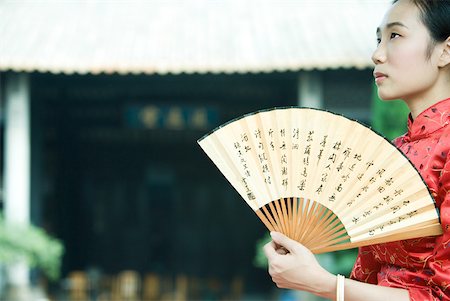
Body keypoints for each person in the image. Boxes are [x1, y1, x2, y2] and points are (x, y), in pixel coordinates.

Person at [263, 0, 450, 300]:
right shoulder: (391, 153)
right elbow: (367, 274)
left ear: (445, 50)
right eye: (378, 39)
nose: (377, 54)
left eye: (395, 36)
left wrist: (324, 284)